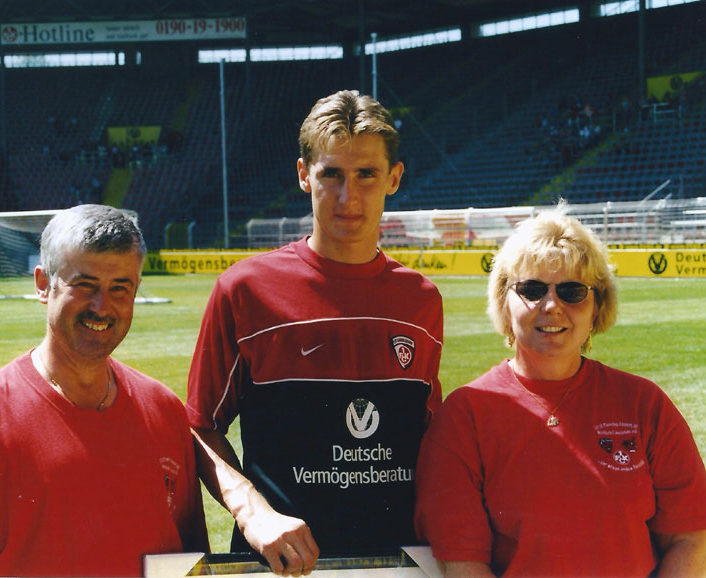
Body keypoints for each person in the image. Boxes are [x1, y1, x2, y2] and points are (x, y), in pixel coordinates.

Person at [186, 90, 444, 576]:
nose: (348, 196)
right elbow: (198, 427)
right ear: (304, 175)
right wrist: (252, 512)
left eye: (366, 174)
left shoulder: (421, 299)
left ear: (394, 177)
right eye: (331, 174)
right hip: (282, 565)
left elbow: (432, 432)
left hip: (399, 563)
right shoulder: (244, 291)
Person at [0, 204, 209, 577]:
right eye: (84, 285)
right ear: (42, 285)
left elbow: (186, 567)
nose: (102, 307)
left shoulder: (164, 411)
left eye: (120, 288)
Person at [415, 208, 706, 577]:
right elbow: (462, 562)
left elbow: (690, 536)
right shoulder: (464, 417)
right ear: (505, 300)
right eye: (533, 289)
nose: (552, 306)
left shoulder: (645, 404)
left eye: (572, 291)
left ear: (597, 306)